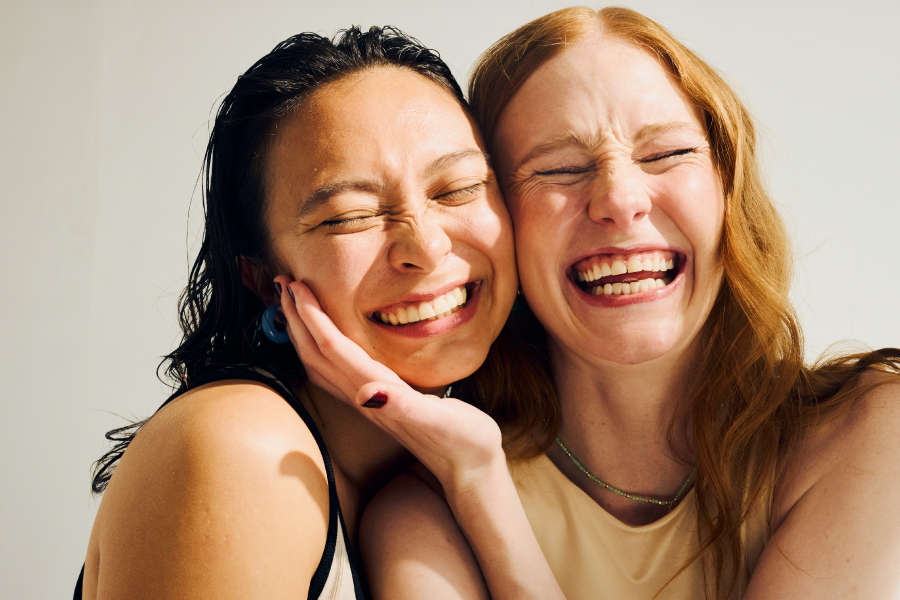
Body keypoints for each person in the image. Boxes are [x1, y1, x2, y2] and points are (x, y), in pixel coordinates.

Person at [298, 7, 899, 599]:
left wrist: (483, 492)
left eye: (666, 154)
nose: (619, 198)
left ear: (726, 188)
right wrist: (476, 479)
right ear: (498, 222)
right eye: (560, 169)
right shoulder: (424, 515)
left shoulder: (874, 428)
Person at [75, 25, 557, 599]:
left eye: (457, 189)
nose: (426, 247)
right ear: (259, 277)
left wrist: (478, 474)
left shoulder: (447, 467)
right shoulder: (241, 448)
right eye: (347, 217)